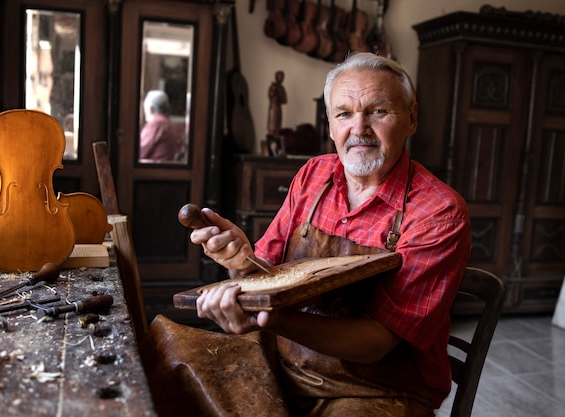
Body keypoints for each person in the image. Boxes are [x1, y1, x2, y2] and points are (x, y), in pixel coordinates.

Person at [143, 52, 471, 417]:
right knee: (167, 352)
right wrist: (239, 262)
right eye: (344, 113)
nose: (359, 128)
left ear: (411, 119)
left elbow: (378, 342)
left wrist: (269, 319)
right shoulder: (313, 175)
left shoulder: (438, 212)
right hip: (282, 358)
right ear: (330, 126)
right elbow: (263, 272)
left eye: (378, 111)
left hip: (375, 388)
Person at [139, 90, 185, 162]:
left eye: (145, 109)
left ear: (151, 109)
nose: (144, 112)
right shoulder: (170, 124)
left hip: (153, 170)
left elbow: (140, 152)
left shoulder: (156, 124)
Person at [267, 70, 287, 136]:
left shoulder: (282, 88)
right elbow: (270, 95)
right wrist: (274, 90)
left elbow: (285, 100)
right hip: (274, 107)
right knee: (272, 126)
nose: (281, 78)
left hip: (279, 107)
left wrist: (280, 97)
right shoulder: (273, 86)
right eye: (280, 76)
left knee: (278, 127)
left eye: (282, 77)